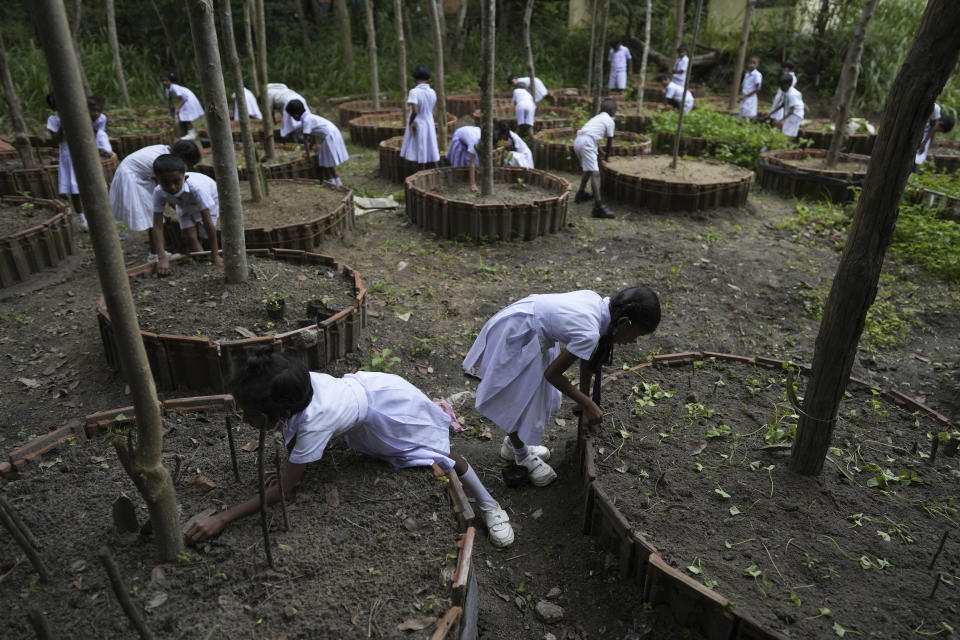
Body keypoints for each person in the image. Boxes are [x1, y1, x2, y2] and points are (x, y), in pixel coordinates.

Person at [184, 348, 515, 548]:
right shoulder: (294, 383)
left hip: (387, 412)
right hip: (375, 389)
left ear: (280, 412)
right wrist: (291, 464)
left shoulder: (314, 422)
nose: (242, 418)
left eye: (248, 413)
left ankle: (488, 503)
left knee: (441, 455)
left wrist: (223, 519)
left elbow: (285, 490)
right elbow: (293, 443)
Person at [463, 287, 661, 486]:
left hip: (530, 327)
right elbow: (553, 374)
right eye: (638, 335)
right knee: (518, 397)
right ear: (624, 322)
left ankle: (512, 445)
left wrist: (585, 399)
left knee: (530, 394)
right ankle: (521, 455)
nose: (634, 341)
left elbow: (587, 359)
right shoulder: (590, 331)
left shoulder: (600, 307)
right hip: (518, 333)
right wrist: (588, 404)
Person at [109, 140, 201, 262]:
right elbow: (166, 189)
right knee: (154, 218)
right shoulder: (163, 163)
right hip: (132, 179)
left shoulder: (165, 152)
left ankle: (157, 252)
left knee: (155, 217)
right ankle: (155, 255)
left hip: (137, 175)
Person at [46, 93, 113, 232]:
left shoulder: (80, 114)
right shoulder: (54, 120)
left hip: (87, 153)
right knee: (74, 189)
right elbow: (54, 142)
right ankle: (83, 220)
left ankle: (101, 214)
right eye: (54, 103)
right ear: (52, 106)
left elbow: (95, 131)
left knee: (93, 184)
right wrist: (63, 127)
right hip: (68, 156)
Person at [150, 154, 221, 276]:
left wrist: (215, 255)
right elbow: (157, 226)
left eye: (176, 181)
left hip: (207, 201)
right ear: (156, 179)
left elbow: (208, 224)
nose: (172, 187)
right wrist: (162, 257)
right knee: (189, 236)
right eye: (165, 182)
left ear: (185, 177)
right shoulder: (158, 192)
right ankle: (202, 261)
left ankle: (209, 257)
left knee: (204, 232)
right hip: (183, 204)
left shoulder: (198, 189)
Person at [285, 99, 349, 185]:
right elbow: (313, 137)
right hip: (333, 134)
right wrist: (310, 148)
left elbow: (305, 139)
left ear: (295, 115)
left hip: (330, 137)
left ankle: (333, 184)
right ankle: (337, 182)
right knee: (328, 163)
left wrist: (307, 155)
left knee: (325, 163)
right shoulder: (310, 117)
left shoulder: (307, 120)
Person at [573, 98, 617, 219]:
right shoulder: (610, 121)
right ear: (612, 111)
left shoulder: (596, 118)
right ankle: (598, 207)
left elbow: (591, 134)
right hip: (587, 143)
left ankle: (580, 194)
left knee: (588, 169)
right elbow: (609, 141)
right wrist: (606, 157)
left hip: (578, 141)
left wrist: (600, 151)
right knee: (595, 174)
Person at [400, 65, 441, 171]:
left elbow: (415, 110)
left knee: (420, 146)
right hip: (429, 120)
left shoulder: (414, 92)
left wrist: (411, 122)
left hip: (419, 121)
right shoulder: (432, 92)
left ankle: (421, 171)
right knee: (431, 143)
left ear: (414, 79)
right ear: (429, 79)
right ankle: (436, 170)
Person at [160, 73, 204, 140]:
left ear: (170, 81)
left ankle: (192, 133)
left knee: (186, 116)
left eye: (166, 81)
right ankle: (188, 131)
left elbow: (183, 98)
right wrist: (171, 109)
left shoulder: (175, 87)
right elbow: (170, 101)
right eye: (163, 81)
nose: (164, 82)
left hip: (188, 99)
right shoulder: (167, 90)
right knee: (182, 116)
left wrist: (177, 109)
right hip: (185, 100)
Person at [447, 125, 482, 192]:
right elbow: (472, 163)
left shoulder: (485, 137)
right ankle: (460, 179)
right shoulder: (474, 142)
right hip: (459, 135)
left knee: (476, 160)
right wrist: (473, 184)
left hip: (470, 132)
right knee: (464, 159)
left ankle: (470, 176)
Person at [771, 74, 804, 140]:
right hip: (791, 113)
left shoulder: (792, 94)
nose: (781, 88)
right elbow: (783, 104)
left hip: (795, 114)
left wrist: (781, 120)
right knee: (785, 130)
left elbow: (792, 110)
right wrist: (770, 114)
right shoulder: (787, 91)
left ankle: (787, 146)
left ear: (788, 85)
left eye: (782, 86)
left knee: (789, 132)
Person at [509, 75, 537, 140]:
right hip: (531, 106)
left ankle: (517, 141)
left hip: (521, 105)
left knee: (520, 127)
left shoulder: (516, 91)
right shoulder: (528, 94)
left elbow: (513, 103)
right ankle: (533, 142)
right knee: (529, 127)